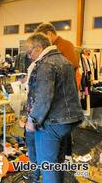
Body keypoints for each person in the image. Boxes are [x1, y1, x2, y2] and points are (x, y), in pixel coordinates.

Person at [25, 33, 83, 183]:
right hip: (69, 120)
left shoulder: (46, 64)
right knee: (57, 162)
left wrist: (32, 120)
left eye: (29, 52)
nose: (29, 56)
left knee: (48, 166)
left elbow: (43, 98)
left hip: (52, 122)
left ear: (38, 48)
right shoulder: (65, 61)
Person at [35, 23, 79, 161]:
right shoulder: (56, 47)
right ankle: (59, 154)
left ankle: (67, 155)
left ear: (49, 34)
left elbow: (70, 69)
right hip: (58, 94)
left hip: (64, 95)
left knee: (63, 124)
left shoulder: (65, 45)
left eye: (43, 38)